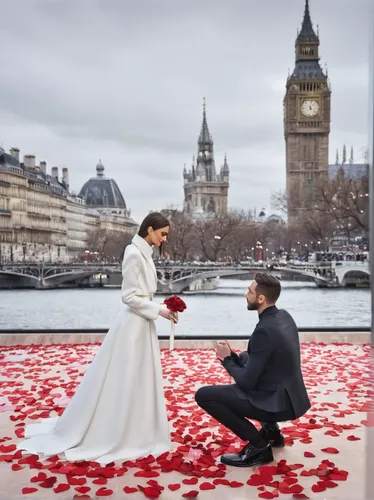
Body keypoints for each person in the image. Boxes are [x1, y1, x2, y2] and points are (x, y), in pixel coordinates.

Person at [17, 212, 178, 464]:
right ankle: (123, 430)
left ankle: (136, 427)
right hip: (133, 325)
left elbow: (140, 296)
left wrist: (161, 309)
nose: (164, 239)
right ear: (149, 230)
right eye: (163, 233)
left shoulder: (142, 252)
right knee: (127, 378)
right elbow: (129, 297)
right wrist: (160, 309)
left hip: (141, 322)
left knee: (136, 378)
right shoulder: (135, 254)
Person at [195, 272, 310, 467]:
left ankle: (259, 446)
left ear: (261, 298)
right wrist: (234, 357)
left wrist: (225, 360)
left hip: (277, 404)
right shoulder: (283, 316)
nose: (245, 295)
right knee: (244, 358)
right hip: (291, 398)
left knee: (204, 395)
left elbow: (247, 382)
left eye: (249, 292)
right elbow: (262, 359)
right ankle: (272, 433)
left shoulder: (264, 330)